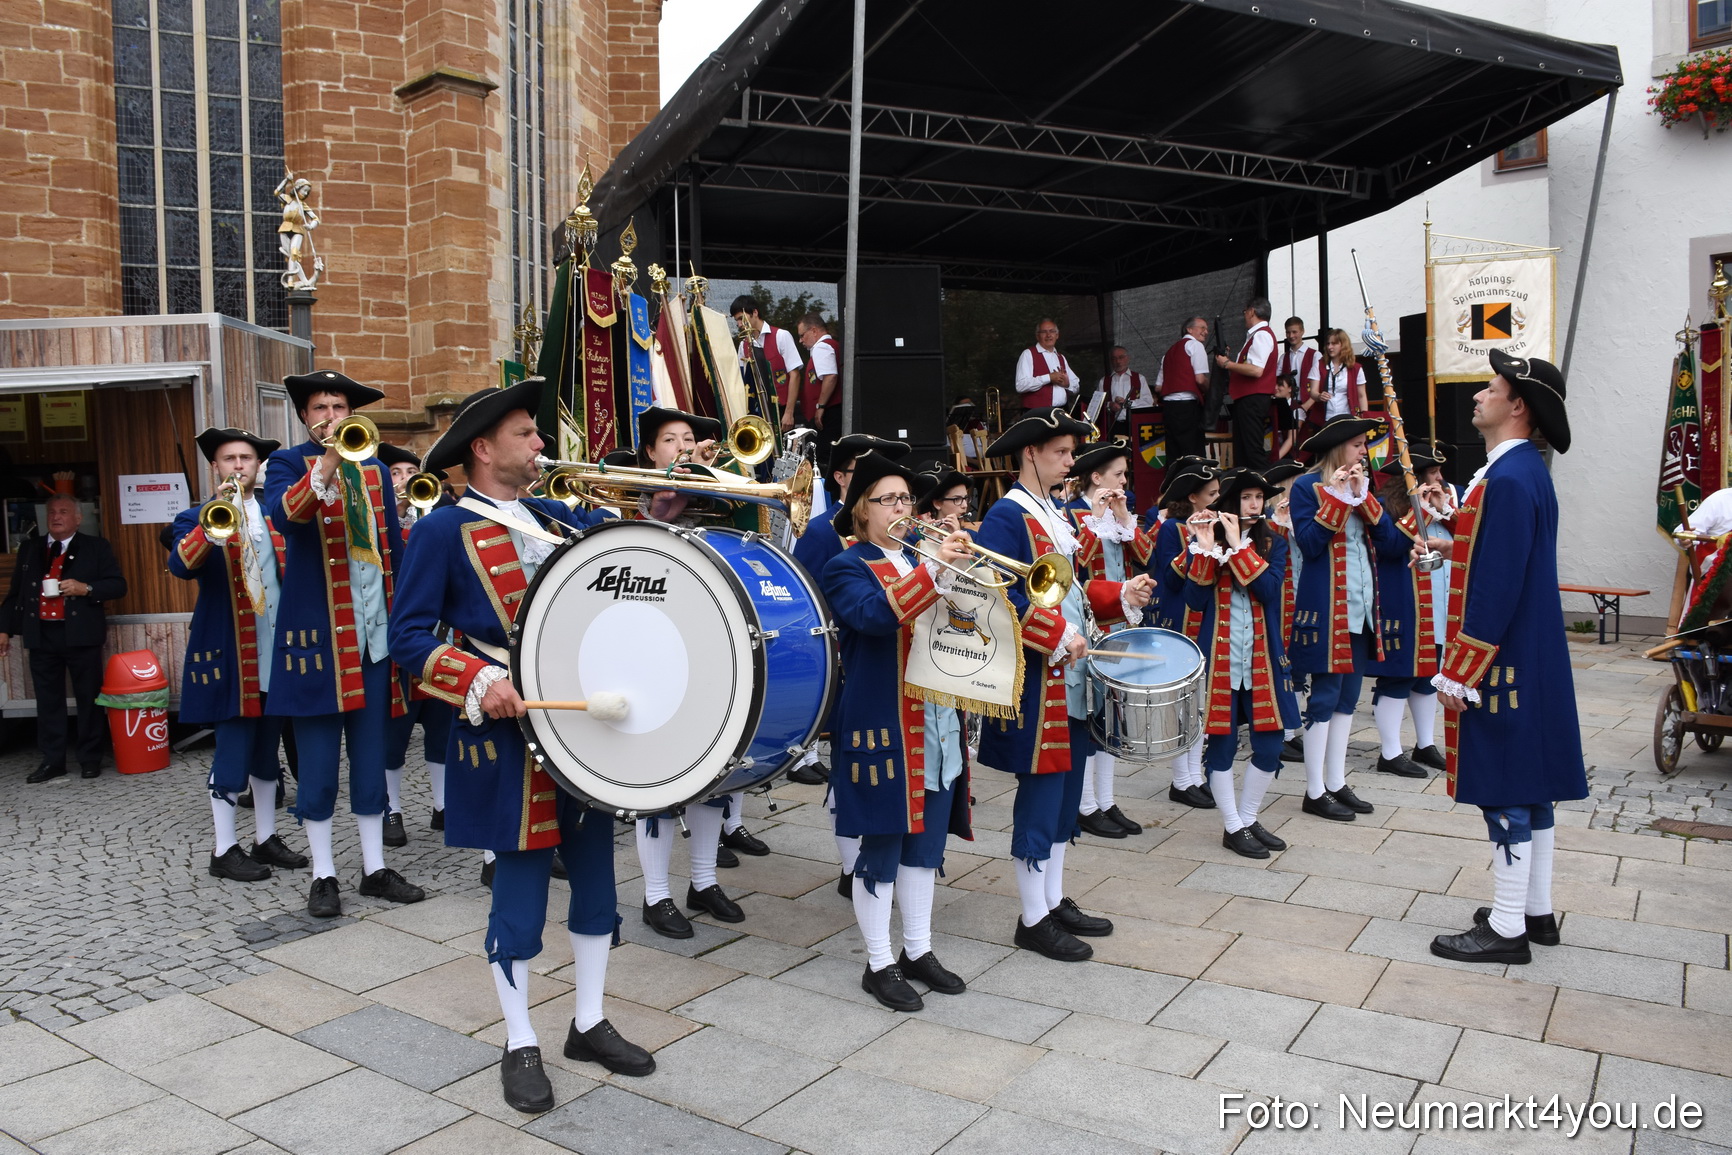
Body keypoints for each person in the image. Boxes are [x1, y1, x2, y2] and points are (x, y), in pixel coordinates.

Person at [389, 378, 654, 1111]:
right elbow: (405, 636)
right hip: (506, 735)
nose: (541, 444)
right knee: (521, 887)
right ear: (481, 448)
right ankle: (518, 1038)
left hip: (579, 727)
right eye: (526, 433)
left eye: (538, 434)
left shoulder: (552, 520)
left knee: (598, 877)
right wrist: (475, 678)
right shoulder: (442, 530)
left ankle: (590, 1020)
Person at [974, 408, 1153, 962]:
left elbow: (1070, 593)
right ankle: (1032, 918)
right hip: (1038, 680)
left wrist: (1119, 595)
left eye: (1073, 453)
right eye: (1062, 453)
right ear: (1031, 453)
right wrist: (1057, 634)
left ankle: (1051, 899)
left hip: (1072, 678)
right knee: (1041, 793)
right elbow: (1000, 597)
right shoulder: (1007, 516)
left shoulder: (1055, 510)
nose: (1072, 462)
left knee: (1067, 793)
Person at [1430, 353, 1586, 964]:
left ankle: (1506, 926)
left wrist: (1460, 672)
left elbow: (1497, 583)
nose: (1478, 395)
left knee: (1506, 789)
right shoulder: (1520, 473)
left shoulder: (1513, 479)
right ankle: (1535, 910)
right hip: (1528, 652)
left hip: (1504, 660)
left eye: (1490, 388)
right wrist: (1450, 546)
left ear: (1517, 405)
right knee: (1534, 785)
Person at [263, 370, 422, 918]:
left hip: (374, 641)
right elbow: (289, 517)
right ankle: (324, 873)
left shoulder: (376, 471)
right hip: (318, 646)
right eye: (319, 407)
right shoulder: (285, 464)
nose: (329, 415)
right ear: (305, 416)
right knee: (319, 762)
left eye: (338, 406)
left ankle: (375, 868)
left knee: (372, 758)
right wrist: (329, 462)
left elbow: (394, 550)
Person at [822, 451, 975, 1010]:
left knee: (925, 848)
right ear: (862, 510)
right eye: (888, 499)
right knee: (882, 849)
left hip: (936, 722)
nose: (902, 508)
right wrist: (933, 570)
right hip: (884, 727)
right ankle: (878, 962)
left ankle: (917, 948)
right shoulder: (849, 564)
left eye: (907, 499)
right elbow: (872, 617)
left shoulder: (924, 557)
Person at [628, 406, 753, 938]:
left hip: (705, 648)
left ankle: (702, 881)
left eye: (689, 439)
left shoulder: (713, 495)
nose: (683, 446)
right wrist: (681, 479)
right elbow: (649, 528)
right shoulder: (635, 501)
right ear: (651, 453)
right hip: (651, 649)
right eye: (670, 440)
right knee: (659, 778)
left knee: (713, 773)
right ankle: (655, 895)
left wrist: (717, 475)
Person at [168, 428, 304, 880]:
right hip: (230, 652)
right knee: (232, 750)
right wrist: (212, 523)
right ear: (216, 467)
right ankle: (223, 849)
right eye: (230, 459)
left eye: (246, 458)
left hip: (274, 651)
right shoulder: (195, 517)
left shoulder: (273, 515)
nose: (239, 466)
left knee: (268, 752)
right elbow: (181, 566)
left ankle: (265, 839)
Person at [1287, 414, 1407, 823]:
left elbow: (1391, 545)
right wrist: (1337, 500)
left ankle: (1336, 782)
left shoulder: (1364, 490)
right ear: (1339, 447)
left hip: (1362, 609)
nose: (1364, 453)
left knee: (1347, 699)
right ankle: (1313, 790)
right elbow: (1309, 544)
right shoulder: (1308, 487)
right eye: (1358, 445)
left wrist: (1366, 500)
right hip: (1325, 609)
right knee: (1323, 698)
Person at [1183, 468, 1299, 859]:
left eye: (1258, 498)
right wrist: (1204, 547)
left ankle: (1247, 818)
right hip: (1220, 664)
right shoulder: (1206, 544)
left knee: (1270, 745)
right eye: (1246, 497)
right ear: (1230, 504)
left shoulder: (1274, 543)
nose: (1254, 505)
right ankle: (1233, 825)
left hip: (1262, 661)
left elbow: (1268, 591)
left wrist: (1237, 544)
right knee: (1222, 746)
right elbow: (1194, 602)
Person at [0, 492, 126, 782]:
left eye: (64, 512)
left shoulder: (95, 547)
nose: (56, 517)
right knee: (47, 702)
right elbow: (16, 592)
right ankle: (52, 760)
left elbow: (118, 586)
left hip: (81, 635)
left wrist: (87, 588)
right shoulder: (31, 548)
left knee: (88, 699)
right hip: (41, 634)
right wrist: (4, 627)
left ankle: (90, 759)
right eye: (52, 512)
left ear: (78, 518)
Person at [1062, 439, 1153, 839]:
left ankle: (1106, 799)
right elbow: (1071, 568)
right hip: (1085, 628)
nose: (1124, 481)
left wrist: (1123, 515)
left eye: (1125, 474)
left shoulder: (1118, 515)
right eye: (1117, 474)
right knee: (1087, 713)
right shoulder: (1071, 515)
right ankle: (1084, 805)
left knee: (1110, 716)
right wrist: (1094, 519)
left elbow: (1147, 554)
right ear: (1095, 477)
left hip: (1118, 623)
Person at [1364, 443, 1457, 779]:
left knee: (1429, 674)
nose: (1440, 479)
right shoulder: (1386, 504)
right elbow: (1389, 547)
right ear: (1414, 478)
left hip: (1439, 603)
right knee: (1399, 674)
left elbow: (1468, 542)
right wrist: (1421, 510)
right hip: (1403, 600)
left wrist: (1445, 510)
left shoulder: (1446, 502)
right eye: (1433, 473)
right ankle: (1390, 751)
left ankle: (1425, 743)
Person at [376, 442, 453, 844]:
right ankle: (392, 809)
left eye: (411, 471)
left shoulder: (438, 518)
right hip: (398, 644)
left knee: (441, 726)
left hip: (440, 638)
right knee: (395, 735)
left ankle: (443, 806)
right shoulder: (379, 526)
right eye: (396, 473)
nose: (405, 479)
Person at [1145, 456, 1219, 808]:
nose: (1217, 500)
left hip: (1206, 618)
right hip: (1179, 620)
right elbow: (1171, 579)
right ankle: (1181, 779)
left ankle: (1197, 775)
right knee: (1184, 703)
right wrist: (1194, 542)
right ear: (1193, 497)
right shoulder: (1171, 529)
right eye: (1211, 493)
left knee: (1201, 702)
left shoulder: (1216, 524)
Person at [1215, 298, 1280, 471]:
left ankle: (1267, 487)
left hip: (1253, 398)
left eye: (1245, 312)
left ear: (1252, 311)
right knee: (1243, 450)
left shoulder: (1261, 335)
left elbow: (1256, 370)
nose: (1244, 315)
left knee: (1252, 450)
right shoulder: (1257, 335)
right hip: (1249, 398)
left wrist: (1227, 364)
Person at [731, 295, 806, 433]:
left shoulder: (781, 336)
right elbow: (742, 381)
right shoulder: (743, 345)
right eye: (737, 320)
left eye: (741, 318)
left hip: (781, 409)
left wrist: (789, 413)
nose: (739, 324)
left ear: (755, 312)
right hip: (756, 412)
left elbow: (795, 375)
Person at [1156, 316, 1210, 463]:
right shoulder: (1195, 346)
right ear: (1189, 329)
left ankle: (1175, 485)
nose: (1206, 332)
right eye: (1202, 328)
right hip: (1187, 406)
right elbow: (1200, 379)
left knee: (1174, 455)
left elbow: (1159, 387)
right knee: (1193, 453)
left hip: (1169, 408)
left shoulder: (1168, 353)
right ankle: (1195, 485)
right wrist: (1210, 391)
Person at [796, 311, 843, 456]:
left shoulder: (822, 347)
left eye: (802, 335)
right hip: (829, 412)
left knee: (821, 456)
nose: (800, 340)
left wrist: (820, 406)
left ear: (814, 331)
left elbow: (830, 376)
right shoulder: (830, 346)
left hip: (828, 414)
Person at [1014, 319, 1080, 411]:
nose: (1048, 335)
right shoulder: (1028, 354)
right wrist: (1049, 378)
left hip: (1062, 411)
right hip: (1037, 414)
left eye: (1052, 331)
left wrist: (1067, 384)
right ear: (1037, 336)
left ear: (1057, 335)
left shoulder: (1061, 357)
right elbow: (1020, 385)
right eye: (1044, 332)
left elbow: (1076, 385)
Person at [1309, 329, 1368, 423]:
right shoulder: (1319, 365)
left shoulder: (1356, 368)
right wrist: (1319, 396)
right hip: (1324, 419)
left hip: (1348, 418)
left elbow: (1362, 395)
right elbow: (1313, 392)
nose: (1330, 347)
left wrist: (1364, 416)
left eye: (1334, 344)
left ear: (1343, 345)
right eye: (1328, 344)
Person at [1093, 346, 1150, 440]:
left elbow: (1148, 402)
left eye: (1121, 357)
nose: (1118, 361)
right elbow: (1097, 404)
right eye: (1114, 358)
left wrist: (1128, 403)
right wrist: (1109, 404)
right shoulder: (1104, 381)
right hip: (1112, 425)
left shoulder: (1139, 378)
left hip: (1134, 424)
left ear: (1127, 358)